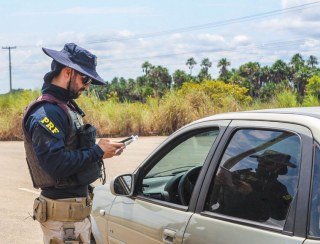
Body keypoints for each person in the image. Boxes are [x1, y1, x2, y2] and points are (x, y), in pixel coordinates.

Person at [22, 43, 125, 244]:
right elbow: (56, 164)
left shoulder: (63, 107)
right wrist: (97, 152)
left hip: (74, 216)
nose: (87, 86)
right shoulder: (46, 112)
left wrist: (101, 150)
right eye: (85, 78)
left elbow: (71, 149)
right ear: (67, 72)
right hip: (64, 223)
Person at [211, 150, 295, 222]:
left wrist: (251, 194)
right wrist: (216, 183)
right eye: (260, 160)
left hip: (249, 226)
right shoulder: (241, 174)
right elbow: (212, 200)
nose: (261, 163)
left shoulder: (279, 189)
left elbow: (281, 215)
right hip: (219, 217)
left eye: (268, 162)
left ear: (279, 167)